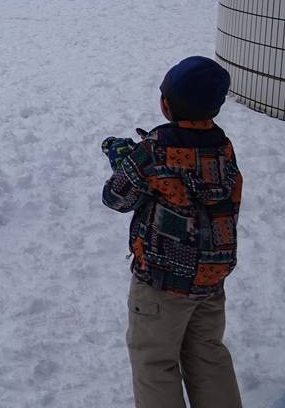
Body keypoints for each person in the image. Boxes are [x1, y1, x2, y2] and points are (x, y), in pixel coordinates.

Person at [102, 57, 242, 408]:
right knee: (207, 354)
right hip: (211, 277)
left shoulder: (153, 150)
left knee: (154, 360)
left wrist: (124, 162)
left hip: (163, 282)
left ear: (165, 105)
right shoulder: (222, 147)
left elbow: (116, 198)